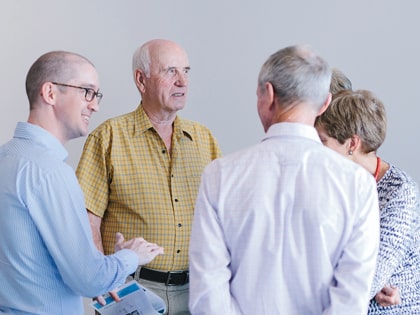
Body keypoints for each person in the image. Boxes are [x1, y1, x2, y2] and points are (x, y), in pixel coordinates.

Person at [188, 44, 381, 315]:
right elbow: (351, 298)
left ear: (267, 94)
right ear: (326, 102)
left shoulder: (220, 175)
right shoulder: (358, 184)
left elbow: (207, 292)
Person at [0, 51, 164, 315]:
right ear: (50, 93)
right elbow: (89, 279)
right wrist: (132, 256)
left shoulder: (6, 158)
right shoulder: (51, 173)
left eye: (96, 95)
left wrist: (110, 263)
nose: (94, 105)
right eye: (87, 91)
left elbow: (33, 261)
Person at [76, 39, 221, 315]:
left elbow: (223, 218)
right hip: (132, 291)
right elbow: (87, 220)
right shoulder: (108, 138)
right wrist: (106, 286)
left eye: (186, 71)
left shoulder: (204, 139)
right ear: (141, 80)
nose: (182, 82)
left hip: (197, 292)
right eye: (170, 71)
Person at [315, 89, 420, 314]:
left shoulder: (400, 193)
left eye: (322, 140)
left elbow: (367, 281)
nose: (314, 149)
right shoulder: (335, 182)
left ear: (352, 144)